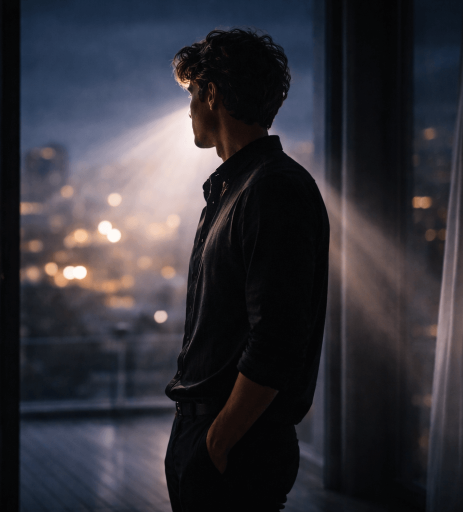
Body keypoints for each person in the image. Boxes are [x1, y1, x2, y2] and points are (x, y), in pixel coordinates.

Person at [163, 28, 330, 511]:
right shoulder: (241, 189)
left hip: (236, 447)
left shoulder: (271, 191)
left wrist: (217, 444)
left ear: (212, 94)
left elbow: (276, 342)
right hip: (218, 438)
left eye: (193, 93)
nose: (190, 108)